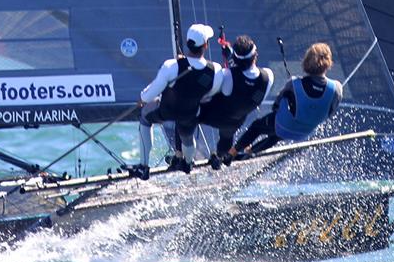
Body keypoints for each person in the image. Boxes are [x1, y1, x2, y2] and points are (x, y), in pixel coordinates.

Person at [127, 23, 224, 179]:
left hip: (166, 111)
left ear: (187, 44)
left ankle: (143, 167)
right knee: (187, 135)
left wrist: (142, 98)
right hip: (190, 113)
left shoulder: (171, 66)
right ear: (205, 45)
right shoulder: (216, 70)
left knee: (145, 116)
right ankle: (188, 162)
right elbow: (210, 95)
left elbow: (152, 92)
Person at [224, 42, 342, 162]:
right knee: (277, 135)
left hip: (284, 126)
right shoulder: (337, 88)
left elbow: (276, 105)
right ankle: (250, 152)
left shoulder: (294, 83)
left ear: (307, 62)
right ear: (328, 63)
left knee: (257, 126)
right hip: (305, 133)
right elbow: (330, 113)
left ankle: (231, 154)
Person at [197, 34, 274, 170]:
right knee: (226, 136)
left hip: (213, 116)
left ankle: (182, 157)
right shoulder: (268, 76)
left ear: (235, 59)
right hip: (235, 121)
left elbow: (225, 81)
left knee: (186, 114)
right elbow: (246, 78)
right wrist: (232, 58)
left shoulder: (227, 75)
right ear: (255, 55)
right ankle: (221, 157)